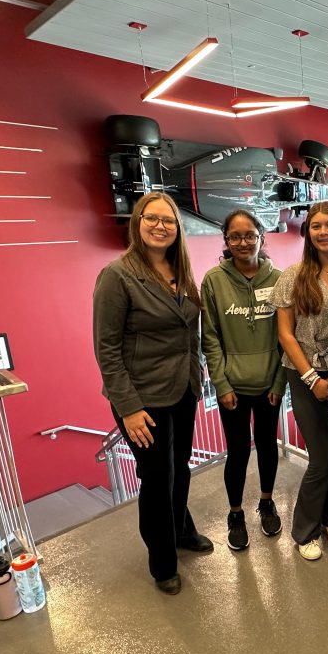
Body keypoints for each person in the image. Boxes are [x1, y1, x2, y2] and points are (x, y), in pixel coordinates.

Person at [93, 192, 211, 596]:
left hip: (183, 390)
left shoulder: (180, 270)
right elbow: (106, 349)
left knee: (180, 467)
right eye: (152, 218)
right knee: (157, 478)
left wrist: (199, 378)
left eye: (170, 221)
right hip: (142, 399)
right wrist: (127, 408)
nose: (161, 226)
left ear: (178, 229)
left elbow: (187, 330)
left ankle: (180, 530)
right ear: (137, 222)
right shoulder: (117, 275)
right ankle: (162, 562)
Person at [270, 202, 328, 561]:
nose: (322, 231)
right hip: (303, 372)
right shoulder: (293, 275)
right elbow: (285, 335)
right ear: (308, 232)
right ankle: (305, 529)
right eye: (315, 226)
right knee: (320, 457)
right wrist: (310, 378)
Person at [201, 209, 285, 551]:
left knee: (267, 446)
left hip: (269, 387)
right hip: (233, 389)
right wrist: (221, 385)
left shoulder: (279, 279)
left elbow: (287, 338)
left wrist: (279, 384)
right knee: (237, 452)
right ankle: (235, 513)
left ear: (261, 237)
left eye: (249, 235)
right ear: (226, 241)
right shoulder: (213, 281)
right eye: (235, 236)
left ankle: (266, 501)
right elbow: (211, 338)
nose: (242, 242)